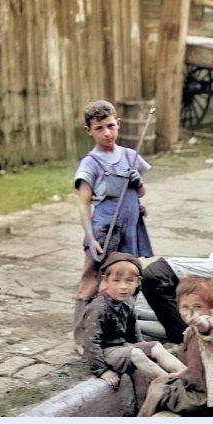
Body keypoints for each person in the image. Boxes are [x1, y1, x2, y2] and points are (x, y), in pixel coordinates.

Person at [73, 100, 153, 338]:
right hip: (103, 231)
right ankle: (82, 336)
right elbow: (83, 203)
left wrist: (138, 182)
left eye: (110, 126)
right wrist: (90, 237)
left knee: (127, 278)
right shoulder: (91, 163)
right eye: (99, 128)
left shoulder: (130, 156)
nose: (106, 133)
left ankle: (123, 331)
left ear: (118, 123)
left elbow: (140, 193)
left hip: (130, 228)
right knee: (92, 280)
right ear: (89, 131)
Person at [76, 254, 186, 391]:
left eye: (129, 281)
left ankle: (186, 375)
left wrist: (146, 349)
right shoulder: (98, 308)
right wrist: (102, 371)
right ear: (105, 281)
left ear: (138, 282)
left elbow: (134, 333)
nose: (123, 287)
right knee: (136, 353)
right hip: (106, 352)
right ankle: (171, 385)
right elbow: (91, 343)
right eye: (116, 281)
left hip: (123, 348)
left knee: (155, 346)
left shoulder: (127, 301)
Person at [140, 218, 213, 343]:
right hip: (160, 278)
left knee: (175, 316)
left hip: (162, 272)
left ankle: (138, 314)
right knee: (184, 332)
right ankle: (133, 324)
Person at [137, 278, 213, 417]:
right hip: (198, 386)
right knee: (161, 382)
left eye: (198, 307)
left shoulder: (212, 330)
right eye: (185, 307)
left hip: (204, 398)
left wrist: (201, 321)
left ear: (211, 309)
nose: (191, 313)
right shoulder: (189, 332)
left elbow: (207, 328)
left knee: (159, 392)